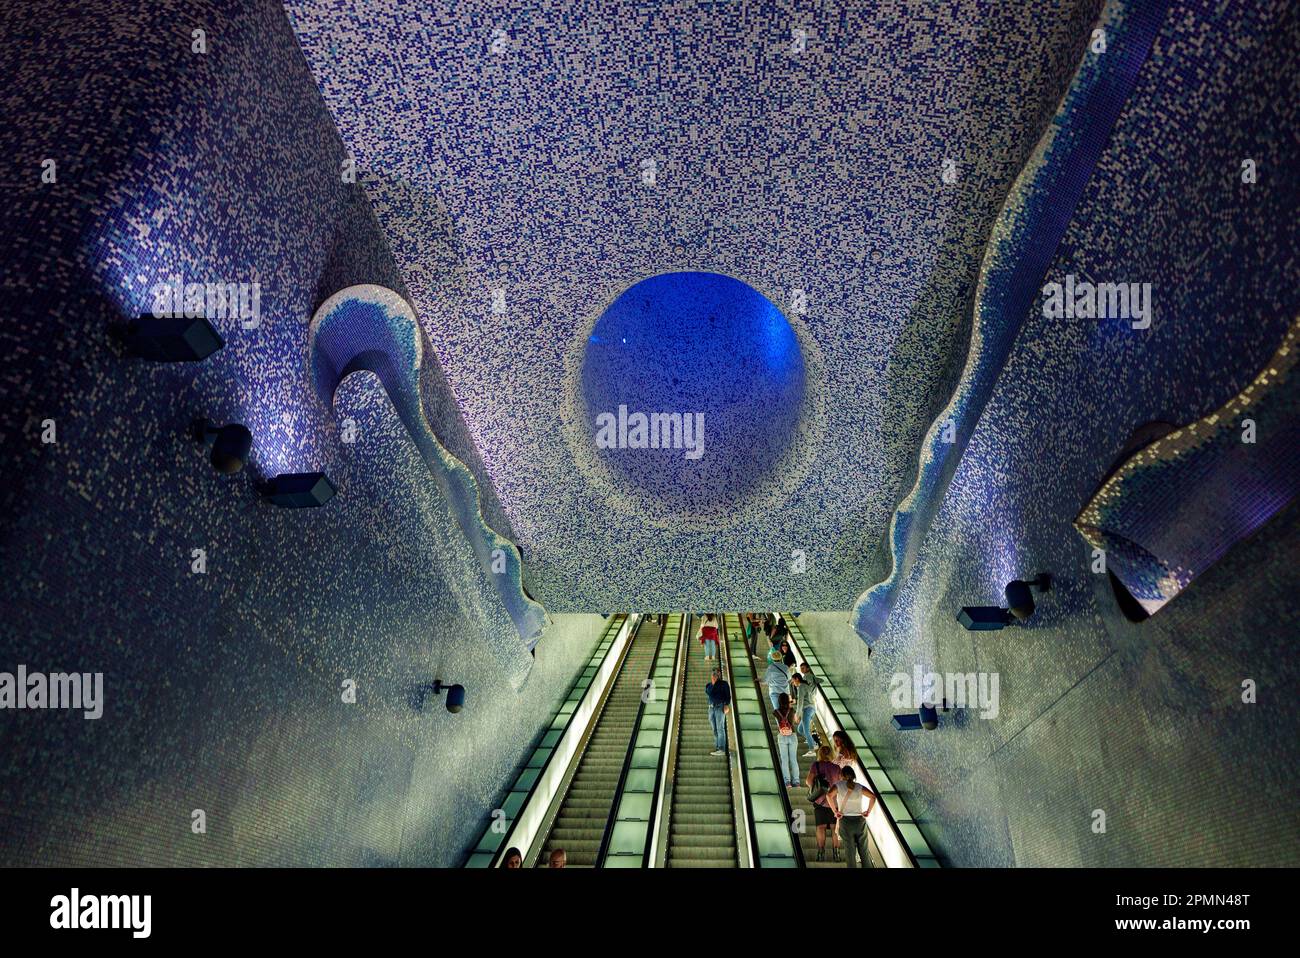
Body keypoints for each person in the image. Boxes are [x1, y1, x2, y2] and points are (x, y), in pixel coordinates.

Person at [827, 765, 877, 868]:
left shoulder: (838, 785)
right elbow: (873, 796)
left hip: (845, 821)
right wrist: (868, 811)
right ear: (853, 775)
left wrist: (835, 811)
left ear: (841, 775)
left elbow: (828, 795)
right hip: (860, 821)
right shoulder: (859, 786)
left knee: (850, 852)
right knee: (864, 851)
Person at [805, 745, 843, 862]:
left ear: (820, 754)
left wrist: (817, 787)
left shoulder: (816, 765)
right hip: (834, 802)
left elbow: (808, 781)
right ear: (831, 754)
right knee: (834, 829)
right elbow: (841, 784)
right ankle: (836, 854)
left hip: (820, 801)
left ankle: (821, 853)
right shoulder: (837, 767)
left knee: (820, 828)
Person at [773, 692, 800, 789]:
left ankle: (787, 782)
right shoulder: (792, 710)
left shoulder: (776, 712)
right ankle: (796, 782)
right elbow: (796, 720)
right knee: (793, 759)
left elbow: (778, 722)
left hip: (782, 735)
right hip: (792, 735)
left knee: (784, 760)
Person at [705, 666, 731, 755]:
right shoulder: (709, 685)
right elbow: (710, 693)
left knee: (720, 728)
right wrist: (713, 683)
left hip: (720, 707)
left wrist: (727, 705)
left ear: (720, 674)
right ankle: (717, 748)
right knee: (715, 729)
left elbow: (728, 695)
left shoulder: (724, 684)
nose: (715, 675)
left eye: (717, 673)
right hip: (711, 708)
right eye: (713, 674)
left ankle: (721, 749)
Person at [790, 673, 817, 757]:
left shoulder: (801, 687)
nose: (793, 682)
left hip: (807, 709)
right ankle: (814, 743)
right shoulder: (805, 685)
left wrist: (797, 714)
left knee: (806, 730)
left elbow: (800, 702)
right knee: (800, 729)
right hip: (811, 708)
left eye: (793, 680)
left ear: (797, 679)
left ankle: (812, 750)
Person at [763, 644, 789, 710]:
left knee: (777, 711)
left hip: (774, 691)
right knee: (785, 711)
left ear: (772, 659)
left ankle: (780, 720)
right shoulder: (786, 667)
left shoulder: (771, 668)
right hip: (785, 692)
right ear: (781, 658)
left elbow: (765, 681)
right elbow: (790, 678)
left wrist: (759, 680)